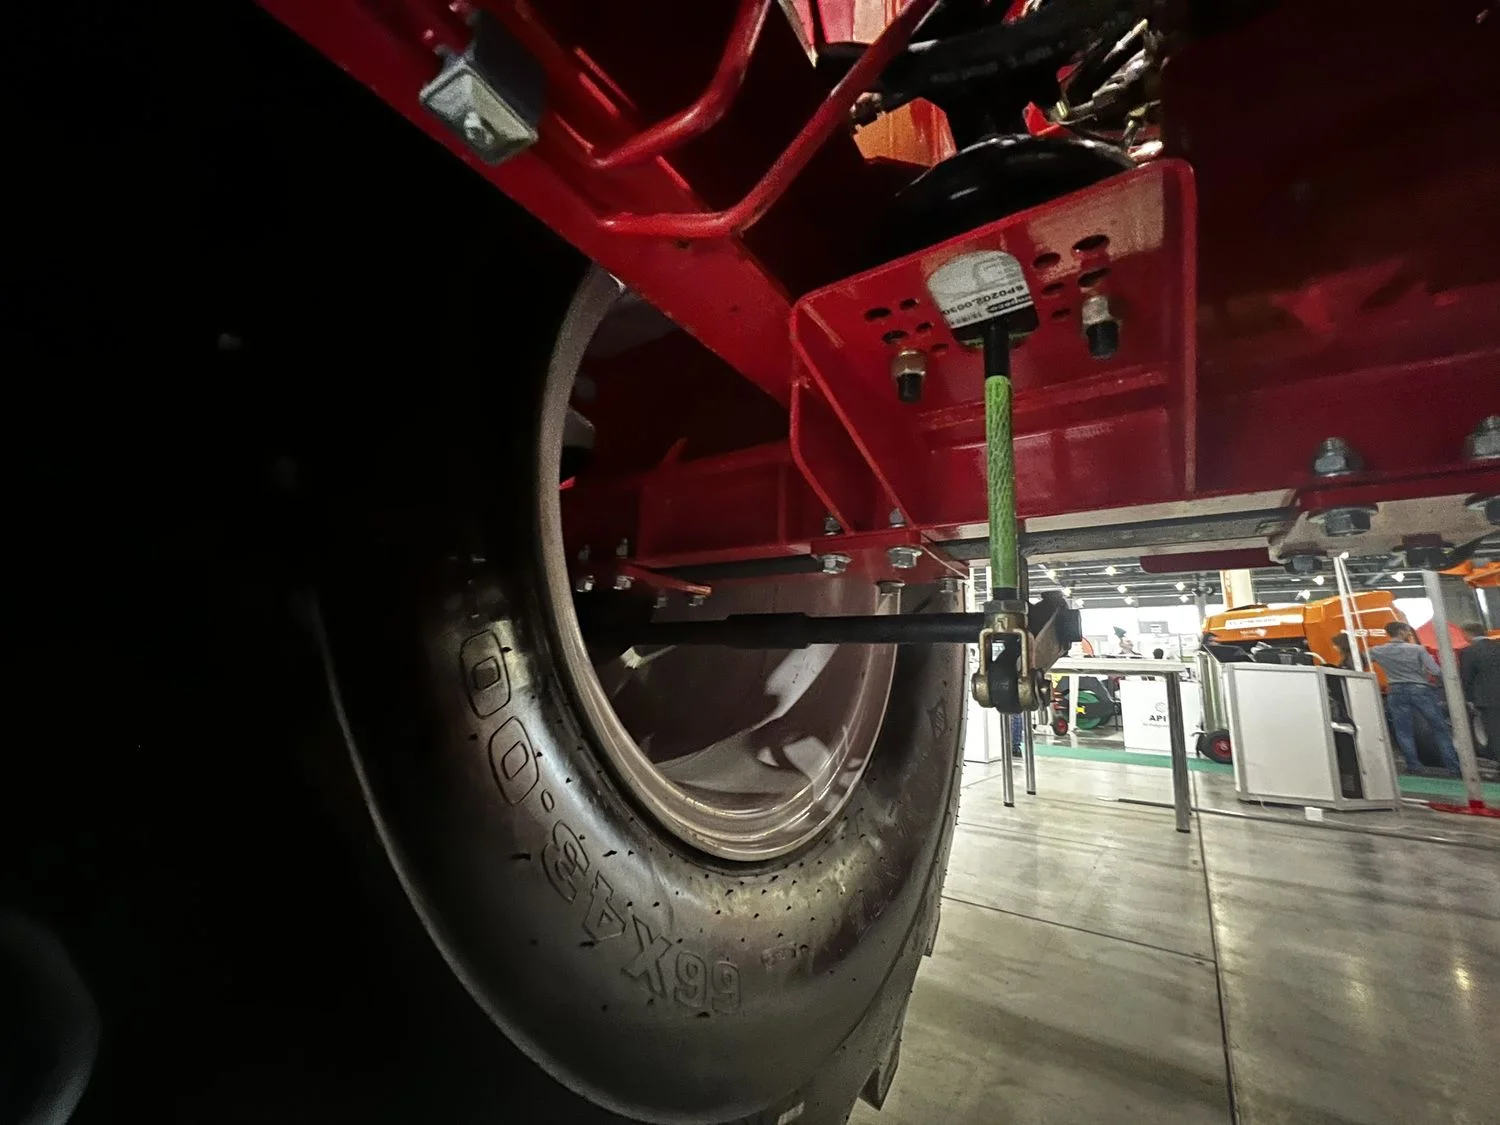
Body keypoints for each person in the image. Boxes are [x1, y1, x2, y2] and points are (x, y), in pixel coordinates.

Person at [1369, 622, 1461, 774]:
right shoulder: (1417, 649)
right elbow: (1435, 671)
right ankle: (1453, 766)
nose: (1409, 634)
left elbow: (1360, 659)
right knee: (1439, 728)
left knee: (1403, 730)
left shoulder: (1377, 651)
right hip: (1420, 690)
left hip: (1395, 691)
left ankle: (1413, 765)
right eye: (1407, 631)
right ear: (1401, 632)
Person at [1459, 623, 1499, 761]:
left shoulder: (1469, 652)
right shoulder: (1497, 647)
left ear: (1468, 633)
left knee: (1495, 732)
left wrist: (1469, 699)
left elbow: (1466, 678)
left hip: (1487, 698)